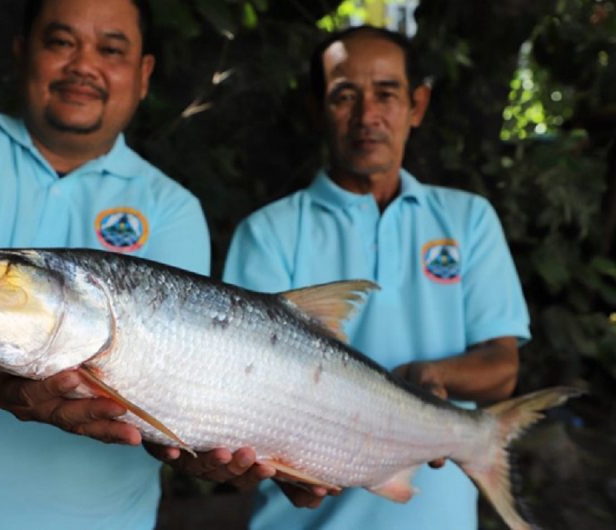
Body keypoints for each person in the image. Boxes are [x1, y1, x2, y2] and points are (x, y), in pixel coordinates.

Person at [0, 0, 210, 528]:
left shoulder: (175, 208)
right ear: (22, 53)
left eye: (110, 48)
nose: (84, 65)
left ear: (144, 74)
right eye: (61, 42)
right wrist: (1, 369)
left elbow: (170, 381)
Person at [212, 25, 530, 529]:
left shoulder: (468, 219)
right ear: (317, 110)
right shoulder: (268, 231)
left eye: (386, 94)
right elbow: (241, 394)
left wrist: (435, 376)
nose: (368, 117)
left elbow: (503, 366)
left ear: (417, 105)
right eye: (344, 96)